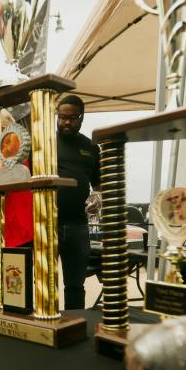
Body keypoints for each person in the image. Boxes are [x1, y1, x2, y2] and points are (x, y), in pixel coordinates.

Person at [56, 94, 101, 309]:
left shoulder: (91, 147)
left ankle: (74, 324)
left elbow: (99, 185)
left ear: (81, 118)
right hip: (45, 224)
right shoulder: (43, 144)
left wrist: (97, 196)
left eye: (72, 118)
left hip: (77, 225)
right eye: (62, 117)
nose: (66, 122)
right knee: (40, 279)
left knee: (75, 283)